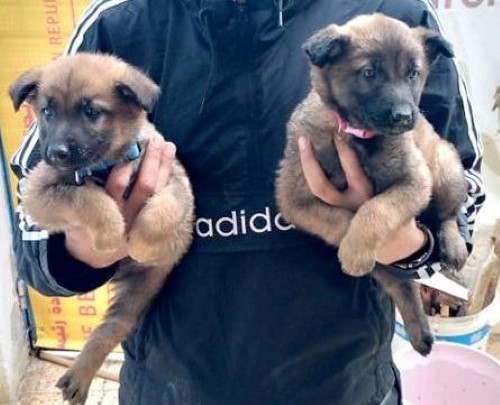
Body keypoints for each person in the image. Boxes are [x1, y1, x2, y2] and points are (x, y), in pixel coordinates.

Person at [10, 0, 484, 404]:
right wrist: (90, 246)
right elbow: (34, 238)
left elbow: (462, 201)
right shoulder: (121, 25)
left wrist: (402, 239)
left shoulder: (394, 15)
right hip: (176, 389)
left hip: (345, 386)